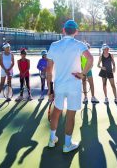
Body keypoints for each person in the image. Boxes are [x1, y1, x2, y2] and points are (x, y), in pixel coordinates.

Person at [47, 20, 93, 153]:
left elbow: (49, 69)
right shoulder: (80, 45)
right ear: (76, 32)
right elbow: (90, 59)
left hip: (59, 85)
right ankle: (67, 144)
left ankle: (52, 139)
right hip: (74, 86)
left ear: (63, 30)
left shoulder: (54, 45)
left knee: (56, 112)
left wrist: (50, 89)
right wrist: (83, 74)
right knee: (70, 115)